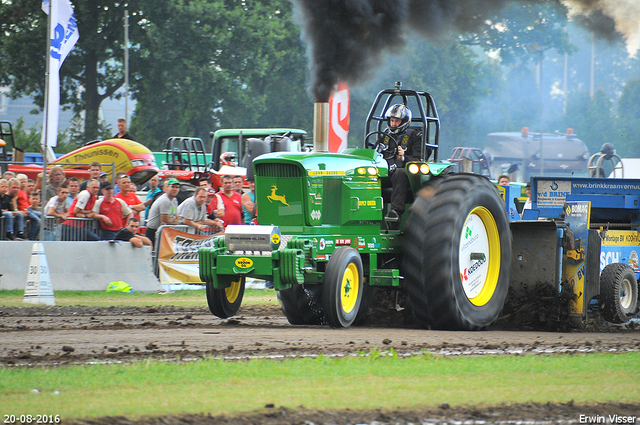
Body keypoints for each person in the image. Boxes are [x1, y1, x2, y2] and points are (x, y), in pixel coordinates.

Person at [377, 104, 422, 228]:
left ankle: (395, 214)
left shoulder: (415, 136)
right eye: (391, 120)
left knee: (400, 173)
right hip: (386, 172)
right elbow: (374, 153)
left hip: (408, 176)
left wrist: (403, 157)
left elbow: (419, 159)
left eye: (397, 121)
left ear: (404, 122)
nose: (393, 124)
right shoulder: (384, 136)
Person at [145, 177, 180, 246]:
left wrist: (173, 219)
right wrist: (173, 218)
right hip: (153, 232)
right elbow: (165, 220)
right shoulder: (165, 200)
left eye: (177, 187)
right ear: (167, 188)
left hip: (162, 232)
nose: (175, 189)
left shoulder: (174, 200)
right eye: (172, 187)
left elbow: (177, 218)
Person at [14, 174, 40, 240]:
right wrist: (16, 210)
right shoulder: (18, 192)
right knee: (38, 221)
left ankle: (36, 236)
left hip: (28, 209)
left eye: (24, 182)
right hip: (25, 210)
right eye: (21, 182)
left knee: (43, 216)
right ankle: (30, 237)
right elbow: (14, 200)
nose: (23, 184)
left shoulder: (24, 192)